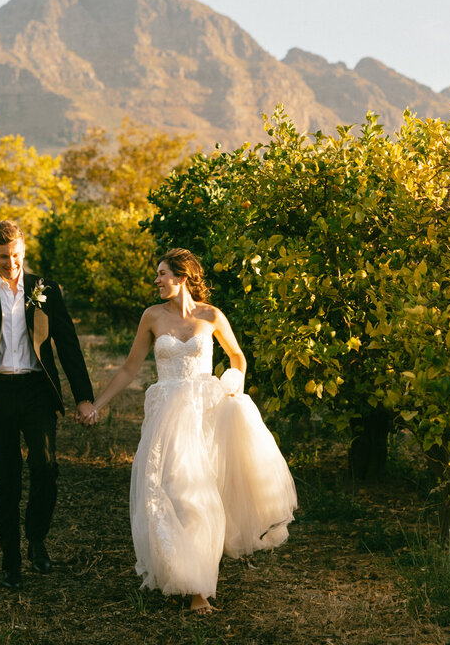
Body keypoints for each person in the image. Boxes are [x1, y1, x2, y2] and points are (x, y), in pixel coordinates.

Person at [86, 248, 297, 613]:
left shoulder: (211, 316)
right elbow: (129, 369)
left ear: (182, 277)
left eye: (163, 273)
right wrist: (96, 405)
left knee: (203, 494)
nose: (157, 280)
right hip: (167, 415)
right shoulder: (151, 317)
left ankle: (199, 588)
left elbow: (238, 357)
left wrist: (235, 388)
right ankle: (179, 571)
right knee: (173, 493)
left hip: (206, 411)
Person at [0, 220, 95, 589]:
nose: (11, 263)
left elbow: (67, 343)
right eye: (3, 257)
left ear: (24, 251)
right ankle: (10, 559)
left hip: (37, 390)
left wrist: (84, 396)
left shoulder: (45, 289)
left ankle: (36, 538)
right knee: (5, 478)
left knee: (45, 467)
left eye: (16, 255)